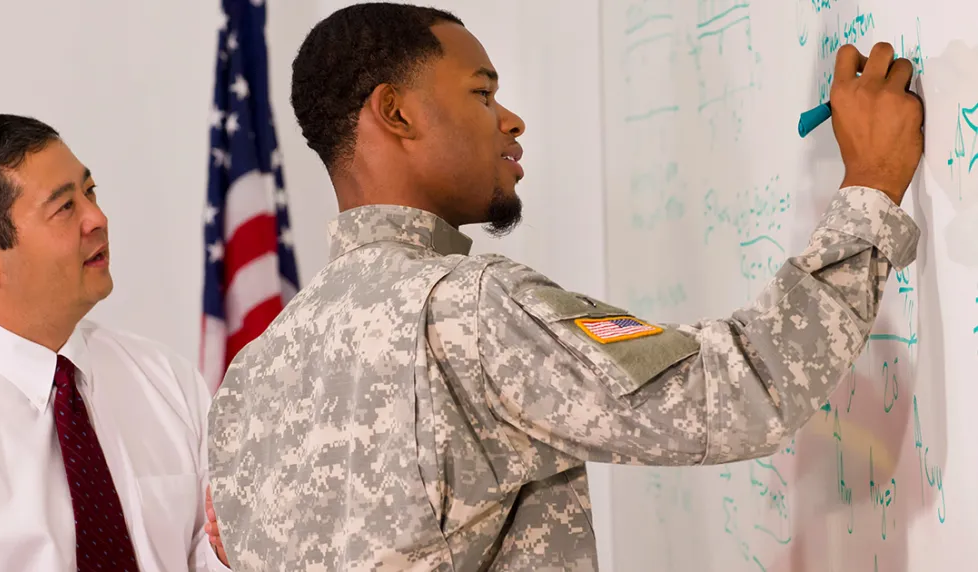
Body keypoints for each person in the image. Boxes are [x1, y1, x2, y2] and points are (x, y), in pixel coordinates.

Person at [205, 3, 924, 571]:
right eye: (482, 94)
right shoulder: (466, 308)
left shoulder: (252, 372)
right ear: (396, 113)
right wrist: (870, 191)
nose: (511, 120)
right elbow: (741, 392)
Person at [0, 114, 228, 571]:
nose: (98, 219)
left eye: (89, 192)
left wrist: (229, 553)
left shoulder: (167, 380)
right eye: (64, 208)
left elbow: (201, 555)